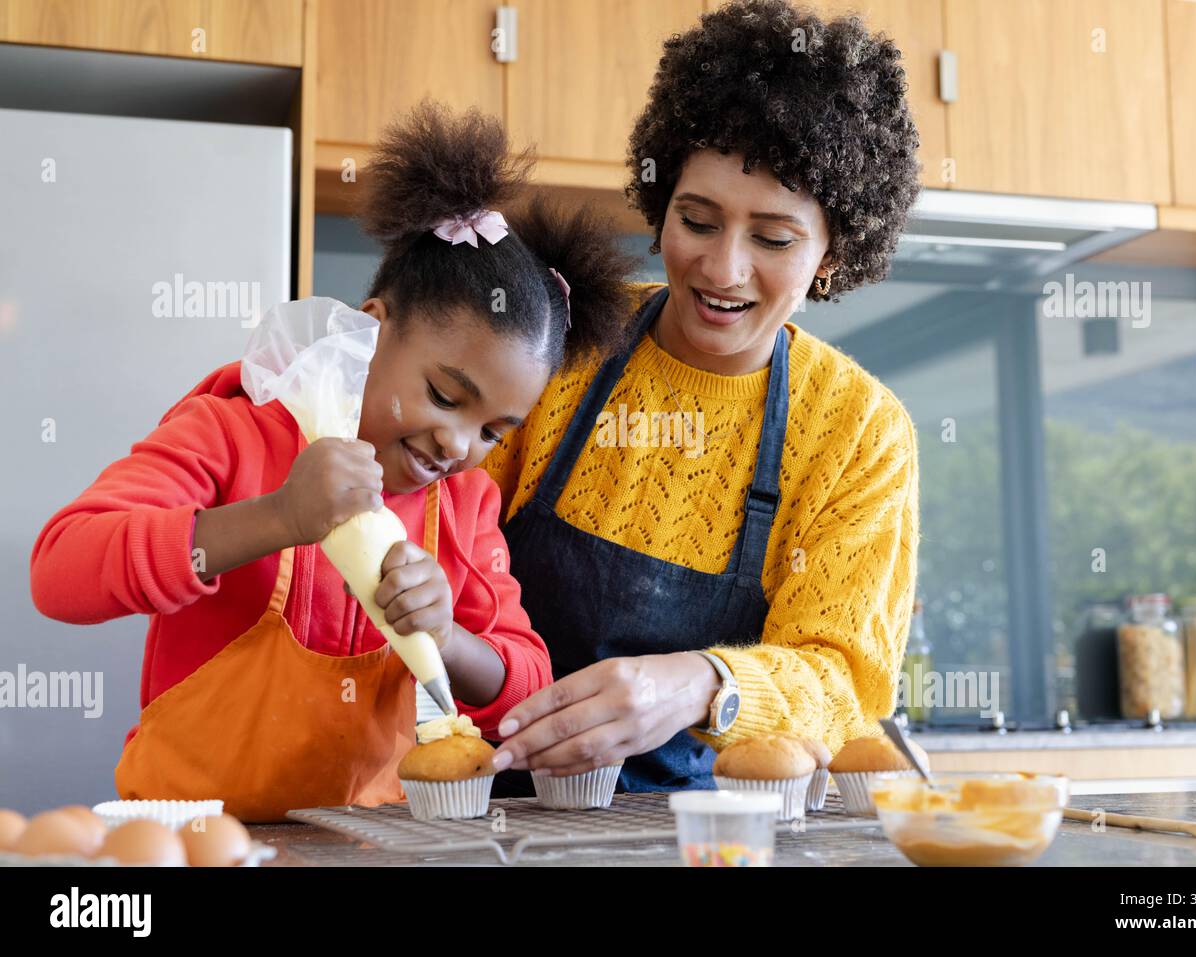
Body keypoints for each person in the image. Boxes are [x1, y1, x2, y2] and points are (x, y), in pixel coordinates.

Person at [29, 101, 636, 821]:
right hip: (191, 838)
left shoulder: (463, 508)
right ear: (370, 331)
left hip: (371, 843)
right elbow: (60, 569)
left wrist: (448, 636)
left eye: (492, 433)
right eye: (445, 395)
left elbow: (526, 673)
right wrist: (277, 516)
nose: (457, 445)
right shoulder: (232, 433)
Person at [483, 0, 923, 794]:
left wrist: (704, 683)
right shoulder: (565, 335)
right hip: (489, 801)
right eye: (698, 218)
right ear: (659, 209)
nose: (723, 268)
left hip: (710, 832)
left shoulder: (859, 430)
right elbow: (440, 530)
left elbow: (844, 680)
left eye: (774, 238)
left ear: (834, 251)